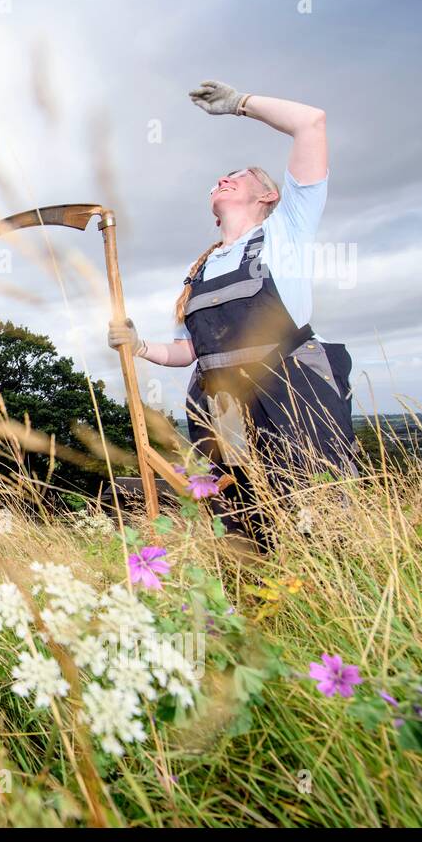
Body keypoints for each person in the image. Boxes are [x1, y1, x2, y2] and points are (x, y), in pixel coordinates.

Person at [108, 80, 355, 542]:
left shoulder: (288, 229)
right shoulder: (199, 271)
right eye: (219, 178)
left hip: (290, 387)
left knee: (315, 516)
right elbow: (190, 351)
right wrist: (139, 346)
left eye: (238, 176)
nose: (223, 178)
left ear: (268, 196)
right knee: (242, 519)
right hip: (221, 404)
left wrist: (240, 104)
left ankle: (329, 601)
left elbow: (311, 122)